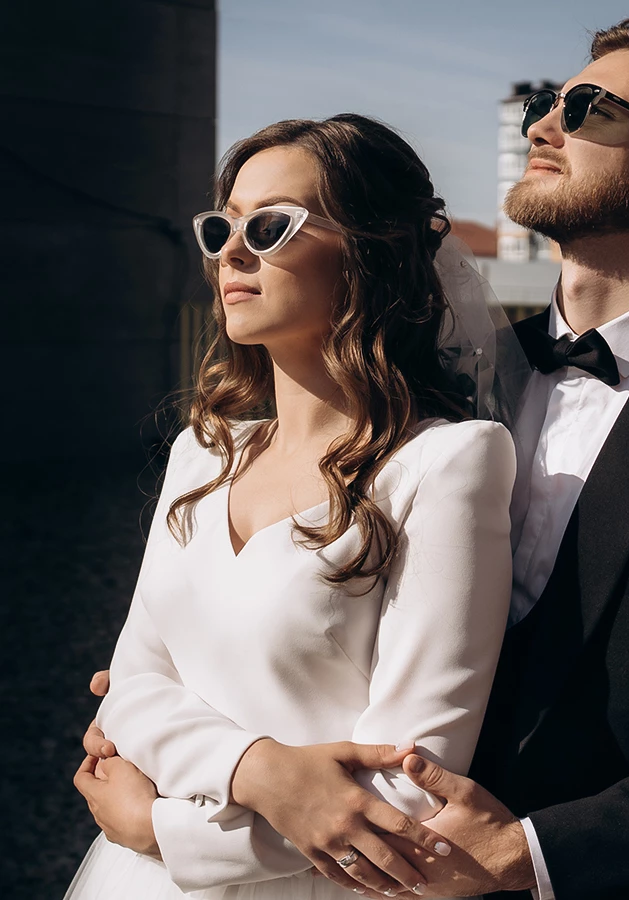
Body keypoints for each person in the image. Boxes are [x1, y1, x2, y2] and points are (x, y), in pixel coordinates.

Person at [77, 16, 629, 900]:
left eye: (591, 110)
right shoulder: (429, 387)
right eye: (544, 102)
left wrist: (526, 852)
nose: (542, 125)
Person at [65, 113, 519, 900]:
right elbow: (130, 688)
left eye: (271, 226)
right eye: (222, 228)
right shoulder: (201, 454)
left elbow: (410, 793)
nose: (233, 252)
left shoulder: (447, 463)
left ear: (369, 254)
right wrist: (262, 769)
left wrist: (160, 832)